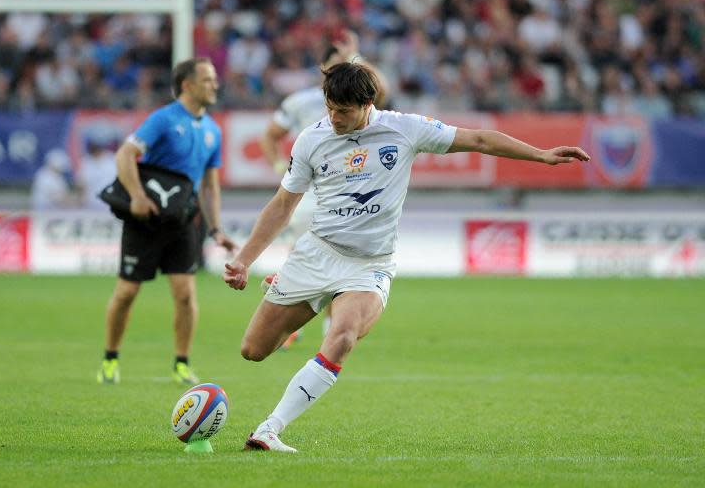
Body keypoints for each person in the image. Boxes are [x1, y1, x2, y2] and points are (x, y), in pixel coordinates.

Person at [223, 62, 590, 452]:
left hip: (369, 265)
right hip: (316, 254)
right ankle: (287, 287)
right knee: (254, 350)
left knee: (343, 336)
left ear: (368, 103)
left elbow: (480, 140)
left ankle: (269, 428)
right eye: (329, 108)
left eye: (343, 111)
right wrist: (245, 258)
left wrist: (542, 155)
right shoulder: (311, 140)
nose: (334, 118)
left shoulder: (404, 129)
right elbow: (282, 205)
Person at [98, 57, 236, 385]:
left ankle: (181, 363)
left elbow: (209, 184)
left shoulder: (212, 130)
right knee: (127, 292)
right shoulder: (163, 119)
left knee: (186, 294)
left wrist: (215, 229)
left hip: (183, 222)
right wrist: (136, 196)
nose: (215, 84)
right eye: (207, 79)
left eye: (214, 79)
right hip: (145, 220)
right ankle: (110, 358)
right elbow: (124, 155)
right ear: (187, 84)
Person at [260, 29, 388, 348]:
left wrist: (356, 58)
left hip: (347, 189)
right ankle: (295, 315)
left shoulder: (358, 99)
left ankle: (323, 324)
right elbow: (269, 136)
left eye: (347, 65)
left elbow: (381, 92)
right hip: (312, 191)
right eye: (335, 65)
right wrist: (280, 168)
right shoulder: (301, 102)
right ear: (322, 71)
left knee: (330, 259)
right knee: (310, 252)